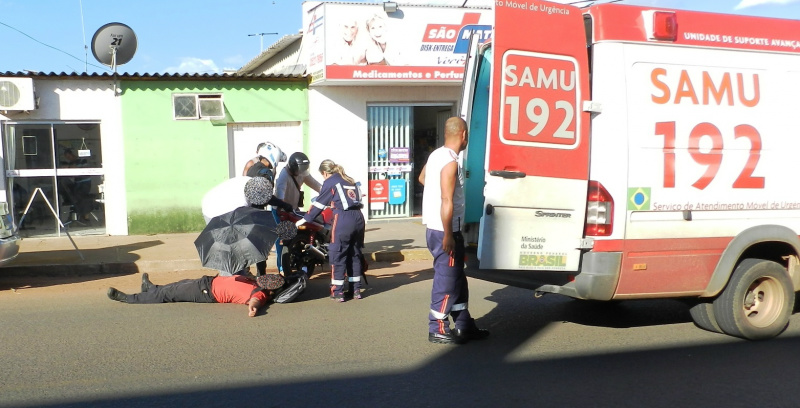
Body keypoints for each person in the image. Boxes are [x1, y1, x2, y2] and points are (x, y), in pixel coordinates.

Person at [419, 117, 489, 345]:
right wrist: (449, 233)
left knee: (458, 278)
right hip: (445, 231)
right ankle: (437, 326)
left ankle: (463, 324)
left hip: (435, 228)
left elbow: (422, 178)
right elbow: (447, 199)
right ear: (464, 135)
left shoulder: (435, 155)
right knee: (447, 280)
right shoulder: (450, 161)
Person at [297, 159, 365, 302]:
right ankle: (356, 290)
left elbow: (319, 204)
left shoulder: (330, 182)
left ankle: (338, 292)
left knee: (338, 254)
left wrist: (305, 219)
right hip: (359, 218)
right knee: (354, 254)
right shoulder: (349, 180)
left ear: (325, 173)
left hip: (343, 218)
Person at [106, 273, 286, 317]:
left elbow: (254, 302)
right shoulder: (254, 281)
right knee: (177, 285)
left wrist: (253, 309)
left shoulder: (260, 294)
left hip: (206, 292)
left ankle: (128, 298)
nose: (263, 279)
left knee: (169, 294)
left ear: (270, 289)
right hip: (207, 282)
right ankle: (151, 288)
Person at [273, 152, 322, 274]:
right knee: (282, 239)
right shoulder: (284, 176)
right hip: (280, 210)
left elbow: (316, 185)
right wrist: (284, 206)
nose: (302, 172)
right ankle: (281, 267)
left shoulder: (302, 172)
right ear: (293, 167)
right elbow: (280, 194)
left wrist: (329, 193)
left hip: (293, 209)